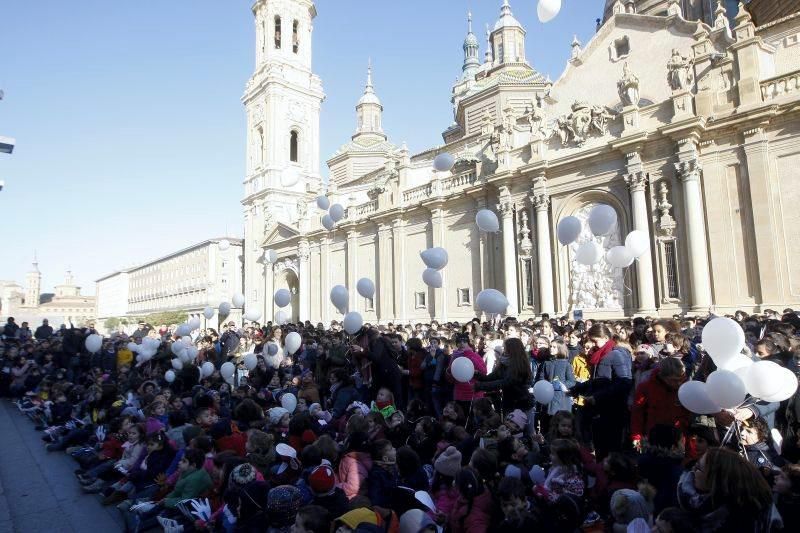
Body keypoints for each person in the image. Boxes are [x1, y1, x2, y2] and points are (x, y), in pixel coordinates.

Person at [677, 447, 777, 532]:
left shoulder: (740, 522)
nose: (692, 471)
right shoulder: (691, 501)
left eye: (698, 468)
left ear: (716, 480)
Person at [570, 324, 632, 459]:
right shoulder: (599, 354)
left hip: (612, 409)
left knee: (611, 449)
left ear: (605, 338)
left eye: (595, 341)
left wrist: (597, 397)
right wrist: (576, 389)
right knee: (600, 448)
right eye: (590, 341)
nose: (592, 345)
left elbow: (624, 382)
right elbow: (597, 381)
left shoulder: (616, 354)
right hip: (598, 407)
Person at [630, 357, 690, 451]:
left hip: (679, 440)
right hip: (654, 439)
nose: (678, 383)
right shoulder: (646, 388)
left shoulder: (687, 388)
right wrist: (636, 437)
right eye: (674, 380)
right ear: (662, 376)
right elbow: (637, 414)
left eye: (681, 379)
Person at [474, 337, 532, 414]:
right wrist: (477, 374)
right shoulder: (503, 362)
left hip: (520, 404)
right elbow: (491, 378)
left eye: (505, 348)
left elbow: (505, 382)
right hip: (508, 403)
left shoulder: (519, 365)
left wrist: (481, 386)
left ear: (512, 350)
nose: (503, 350)